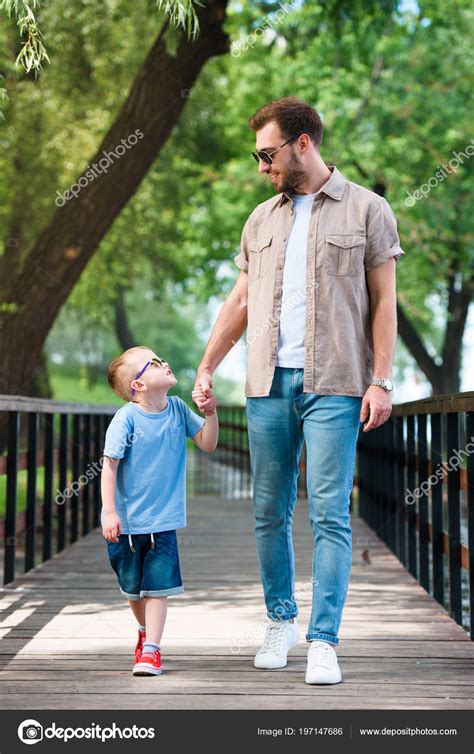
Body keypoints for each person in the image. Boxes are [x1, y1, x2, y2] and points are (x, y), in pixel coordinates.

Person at [192, 96, 405, 685]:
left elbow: (385, 303)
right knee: (268, 511)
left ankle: (324, 639)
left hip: (336, 383)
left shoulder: (368, 209)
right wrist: (208, 365)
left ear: (302, 144)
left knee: (332, 513)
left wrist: (381, 380)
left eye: (268, 155)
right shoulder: (260, 219)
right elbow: (238, 301)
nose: (262, 168)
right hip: (266, 384)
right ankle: (280, 619)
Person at [101, 346, 218, 675]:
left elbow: (208, 443)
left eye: (161, 358)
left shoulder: (178, 410)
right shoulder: (126, 419)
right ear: (138, 385)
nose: (164, 362)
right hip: (126, 523)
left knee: (158, 587)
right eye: (153, 363)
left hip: (162, 522)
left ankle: (152, 649)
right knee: (133, 588)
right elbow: (109, 467)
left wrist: (210, 413)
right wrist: (109, 512)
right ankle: (143, 631)